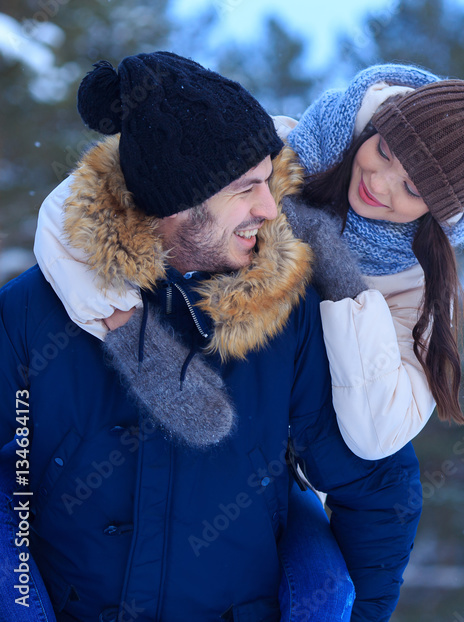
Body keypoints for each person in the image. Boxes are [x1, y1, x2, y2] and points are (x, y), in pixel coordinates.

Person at [0, 52, 419, 621]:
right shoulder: (33, 310)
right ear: (179, 198)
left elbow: (374, 484)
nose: (270, 209)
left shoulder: (291, 318)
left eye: (270, 183)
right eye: (247, 189)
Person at [33, 62, 464, 462]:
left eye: (413, 189)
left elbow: (378, 435)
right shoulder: (274, 147)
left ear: (439, 212)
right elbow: (75, 207)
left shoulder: (415, 283)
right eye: (386, 152)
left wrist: (346, 286)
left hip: (267, 459)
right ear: (373, 128)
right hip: (127, 423)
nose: (379, 182)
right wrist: (133, 338)